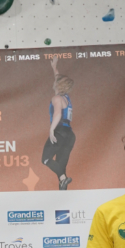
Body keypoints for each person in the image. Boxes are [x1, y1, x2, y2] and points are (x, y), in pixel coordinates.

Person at [41, 55, 75, 190]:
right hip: (69, 135)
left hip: (59, 131)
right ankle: (63, 187)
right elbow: (58, 78)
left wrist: (51, 130)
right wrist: (54, 67)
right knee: (61, 165)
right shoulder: (66, 97)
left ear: (58, 85)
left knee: (46, 159)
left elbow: (57, 114)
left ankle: (63, 179)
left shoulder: (56, 98)